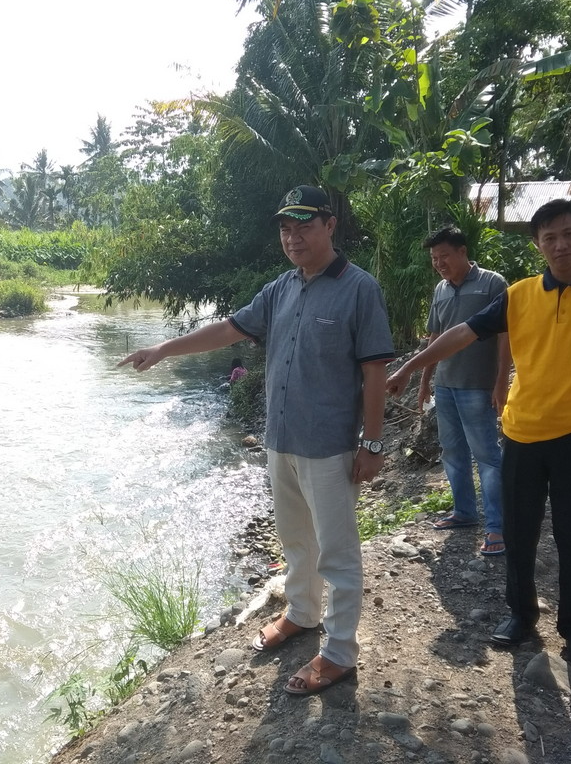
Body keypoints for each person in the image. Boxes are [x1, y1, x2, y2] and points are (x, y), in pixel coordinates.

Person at [119, 185, 394, 695]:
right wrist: (163, 349)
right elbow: (229, 330)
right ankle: (304, 613)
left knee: (337, 553)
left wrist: (372, 444)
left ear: (330, 225)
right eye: (286, 228)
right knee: (295, 540)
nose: (293, 237)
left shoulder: (359, 289)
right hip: (281, 441)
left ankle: (338, 653)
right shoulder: (280, 289)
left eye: (304, 225)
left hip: (330, 447)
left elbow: (375, 370)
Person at [386, 199, 571, 673]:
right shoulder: (519, 295)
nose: (559, 245)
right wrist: (410, 368)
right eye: (549, 238)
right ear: (538, 244)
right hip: (521, 434)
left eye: (567, 234)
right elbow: (461, 334)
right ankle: (521, 614)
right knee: (518, 533)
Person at [418, 227, 509, 556]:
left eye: (444, 256)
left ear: (462, 251)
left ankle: (498, 526)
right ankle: (464, 512)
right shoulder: (440, 290)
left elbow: (505, 335)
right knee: (452, 453)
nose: (439, 263)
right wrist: (425, 380)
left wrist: (501, 382)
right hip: (445, 386)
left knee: (487, 456)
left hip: (478, 386)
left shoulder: (492, 284)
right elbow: (435, 339)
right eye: (434, 258)